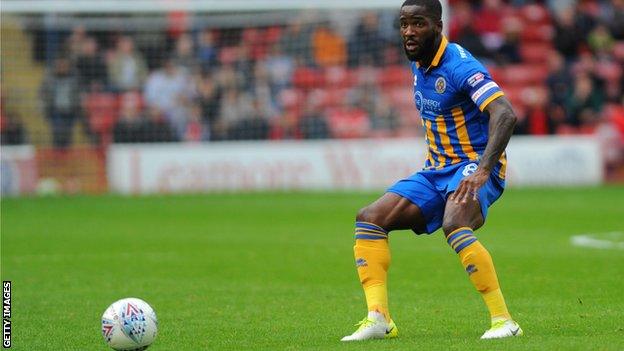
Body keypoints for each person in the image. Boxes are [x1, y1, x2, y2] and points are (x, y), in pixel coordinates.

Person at [341, 0, 523, 342]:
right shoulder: (419, 63)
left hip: (473, 166)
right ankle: (379, 318)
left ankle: (504, 321)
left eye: (418, 24)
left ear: (438, 25)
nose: (409, 32)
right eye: (404, 24)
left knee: (455, 222)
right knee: (369, 218)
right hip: (437, 170)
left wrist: (483, 170)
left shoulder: (458, 65)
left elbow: (505, 113)